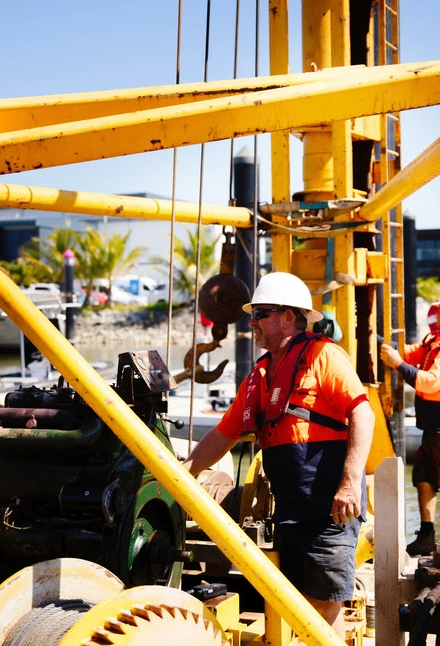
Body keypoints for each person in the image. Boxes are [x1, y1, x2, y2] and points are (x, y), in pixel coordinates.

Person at [183, 271, 374, 636]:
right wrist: (182, 472)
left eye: (261, 314)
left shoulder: (323, 356)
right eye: (253, 315)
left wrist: (350, 483)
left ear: (290, 317)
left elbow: (361, 412)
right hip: (290, 512)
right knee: (298, 603)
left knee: (322, 603)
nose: (252, 322)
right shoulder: (260, 375)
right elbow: (223, 435)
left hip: (329, 511)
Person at [379, 286, 440, 556]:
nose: (437, 310)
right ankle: (426, 534)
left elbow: (429, 382)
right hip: (434, 427)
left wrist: (397, 364)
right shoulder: (439, 340)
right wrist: (382, 344)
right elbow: (412, 353)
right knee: (423, 477)